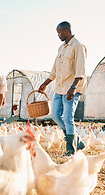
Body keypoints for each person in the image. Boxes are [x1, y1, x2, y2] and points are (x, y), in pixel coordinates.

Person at [38, 21, 87, 156]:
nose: (58, 35)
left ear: (66, 31)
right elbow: (54, 71)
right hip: (59, 88)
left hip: (71, 89)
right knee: (55, 115)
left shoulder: (78, 46)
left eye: (59, 33)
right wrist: (45, 83)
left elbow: (80, 71)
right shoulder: (61, 48)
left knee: (67, 118)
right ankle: (78, 141)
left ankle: (70, 150)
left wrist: (73, 88)